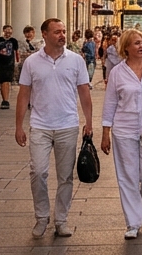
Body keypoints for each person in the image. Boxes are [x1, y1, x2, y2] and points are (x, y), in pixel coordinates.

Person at [15, 18, 94, 238]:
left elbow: (84, 92)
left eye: (64, 31)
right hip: (40, 125)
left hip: (67, 124)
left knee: (65, 177)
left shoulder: (76, 61)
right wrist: (18, 126)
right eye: (57, 32)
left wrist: (89, 121)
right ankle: (41, 217)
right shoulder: (32, 62)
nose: (62, 35)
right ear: (45, 35)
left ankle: (61, 220)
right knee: (38, 172)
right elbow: (23, 95)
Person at [100, 29, 142, 240]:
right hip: (124, 129)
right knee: (128, 177)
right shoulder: (117, 73)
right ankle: (132, 222)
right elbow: (110, 103)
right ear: (126, 48)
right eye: (137, 43)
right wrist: (105, 132)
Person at [0, 25, 19, 110]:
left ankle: (6, 100)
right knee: (2, 82)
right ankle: (4, 99)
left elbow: (16, 51)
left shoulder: (13, 41)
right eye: (6, 31)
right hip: (0, 63)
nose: (8, 33)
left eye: (10, 31)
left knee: (7, 81)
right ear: (3, 31)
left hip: (10, 63)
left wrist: (17, 62)